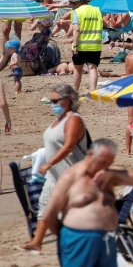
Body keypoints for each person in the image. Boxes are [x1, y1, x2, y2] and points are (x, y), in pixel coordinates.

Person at [41, 138, 133, 267]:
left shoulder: (107, 175)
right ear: (90, 155)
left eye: (109, 163)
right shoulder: (71, 177)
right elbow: (49, 215)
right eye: (103, 162)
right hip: (78, 239)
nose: (105, 166)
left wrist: (112, 173)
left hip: (107, 238)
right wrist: (67, 236)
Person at [17, 84, 89, 253]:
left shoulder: (74, 119)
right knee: (44, 210)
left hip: (70, 174)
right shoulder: (59, 120)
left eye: (55, 100)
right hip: (54, 175)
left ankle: (73, 243)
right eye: (51, 100)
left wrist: (49, 163)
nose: (52, 104)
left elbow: (69, 146)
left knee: (63, 214)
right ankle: (37, 242)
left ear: (68, 100)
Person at [70, 0, 103, 92]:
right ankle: (93, 91)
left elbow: (76, 29)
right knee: (92, 68)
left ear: (78, 2)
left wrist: (75, 44)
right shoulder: (97, 10)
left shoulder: (77, 12)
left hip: (81, 45)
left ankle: (75, 91)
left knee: (78, 69)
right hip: (95, 45)